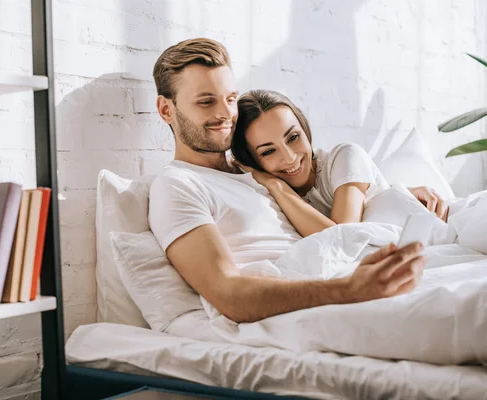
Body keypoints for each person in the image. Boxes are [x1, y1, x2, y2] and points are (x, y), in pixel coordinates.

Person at [148, 38, 426, 323]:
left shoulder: (258, 171)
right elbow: (228, 293)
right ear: (166, 110)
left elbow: (333, 198)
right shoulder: (178, 186)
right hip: (322, 297)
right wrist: (349, 290)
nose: (226, 114)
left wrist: (400, 193)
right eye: (206, 102)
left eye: (230, 99)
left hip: (345, 272)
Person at [230, 89, 449, 235]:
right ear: (253, 160)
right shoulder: (263, 194)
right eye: (268, 151)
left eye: (293, 137)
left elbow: (341, 236)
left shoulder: (345, 156)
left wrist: (276, 185)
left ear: (304, 129)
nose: (289, 157)